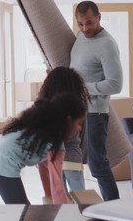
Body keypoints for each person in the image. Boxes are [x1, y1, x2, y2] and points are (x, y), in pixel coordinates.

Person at [0, 92, 87, 204]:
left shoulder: (41, 131)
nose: (79, 128)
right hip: (0, 163)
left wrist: (48, 197)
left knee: (21, 208)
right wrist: (63, 210)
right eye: (79, 123)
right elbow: (56, 183)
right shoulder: (55, 143)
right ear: (68, 120)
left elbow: (45, 170)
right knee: (22, 210)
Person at [70, 0, 123, 201]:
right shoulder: (79, 36)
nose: (85, 28)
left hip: (95, 112)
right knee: (70, 161)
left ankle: (114, 209)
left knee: (97, 164)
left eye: (90, 23)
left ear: (99, 17)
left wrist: (83, 88)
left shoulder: (107, 44)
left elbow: (115, 84)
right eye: (81, 24)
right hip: (76, 110)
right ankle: (79, 206)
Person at [37, 67, 90, 200]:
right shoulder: (78, 105)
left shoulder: (44, 105)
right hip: (72, 156)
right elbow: (83, 133)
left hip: (52, 157)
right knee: (81, 196)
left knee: (59, 197)